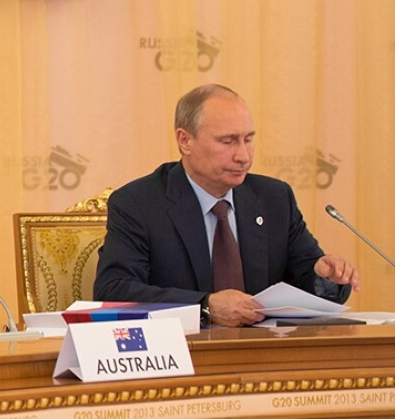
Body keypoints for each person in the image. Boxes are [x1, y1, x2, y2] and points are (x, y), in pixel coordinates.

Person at [93, 83, 359, 327]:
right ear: (185, 141)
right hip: (183, 356)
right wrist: (205, 305)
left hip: (265, 357)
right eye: (228, 141)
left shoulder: (274, 198)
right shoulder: (138, 203)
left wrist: (325, 276)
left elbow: (303, 275)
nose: (243, 156)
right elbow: (114, 289)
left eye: (248, 139)